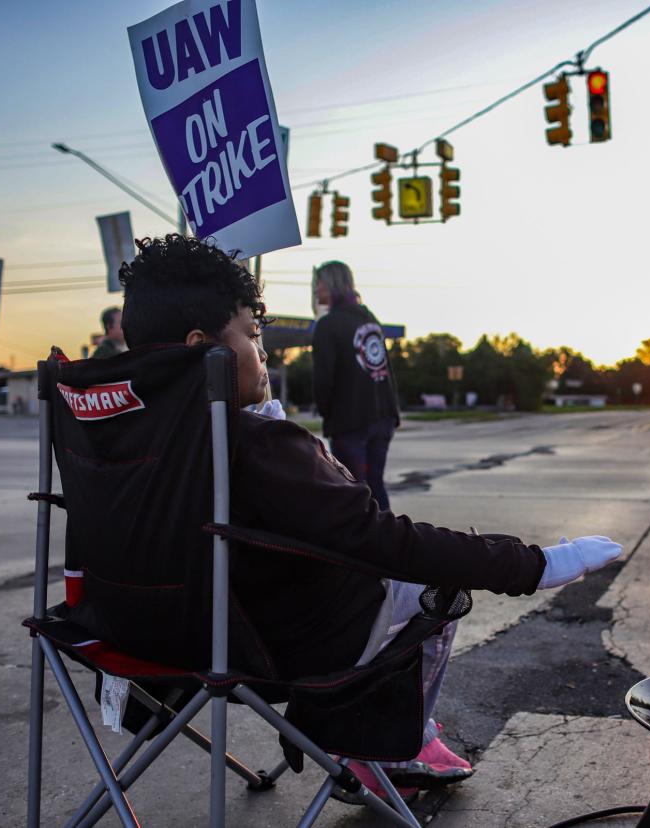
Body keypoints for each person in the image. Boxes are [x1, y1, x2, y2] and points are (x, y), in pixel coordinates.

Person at [99, 235, 621, 799]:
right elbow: (379, 537)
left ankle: (386, 743)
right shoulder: (256, 443)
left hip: (127, 637)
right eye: (252, 336)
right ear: (204, 349)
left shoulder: (108, 428)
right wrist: (531, 564)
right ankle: (389, 747)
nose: (265, 353)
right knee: (425, 585)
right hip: (260, 647)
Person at [311, 261, 400, 510]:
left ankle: (360, 547)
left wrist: (326, 411)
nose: (317, 291)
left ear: (332, 284)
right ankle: (389, 543)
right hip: (382, 417)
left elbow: (323, 379)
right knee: (376, 488)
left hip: (350, 422)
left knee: (353, 493)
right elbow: (383, 368)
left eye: (319, 284)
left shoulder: (328, 325)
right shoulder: (370, 319)